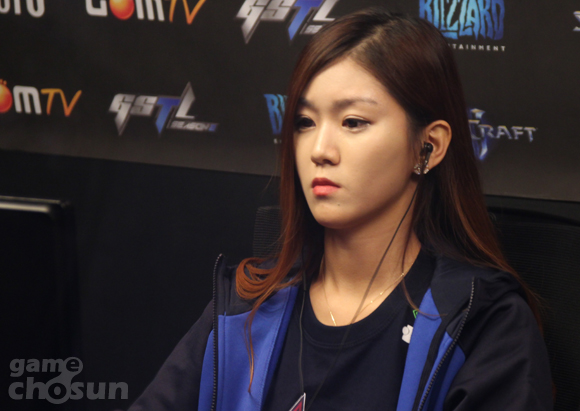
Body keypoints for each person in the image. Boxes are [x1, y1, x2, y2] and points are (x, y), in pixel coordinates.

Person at [128, 8, 553, 411]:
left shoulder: (482, 322)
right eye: (304, 122)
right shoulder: (246, 306)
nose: (320, 150)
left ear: (429, 146)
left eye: (353, 122)